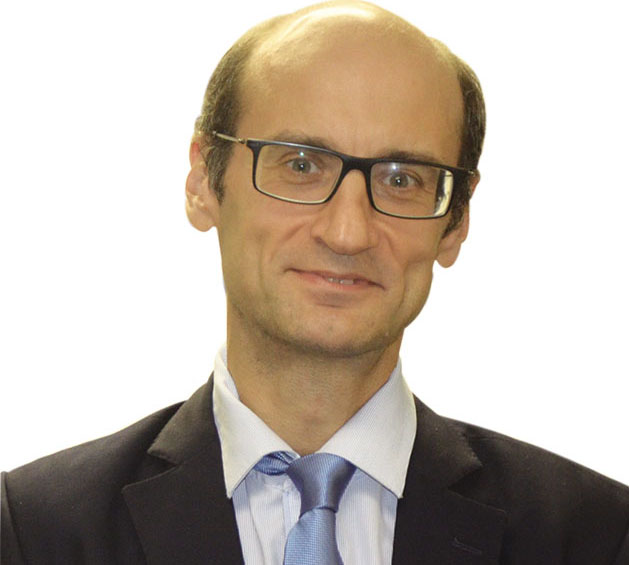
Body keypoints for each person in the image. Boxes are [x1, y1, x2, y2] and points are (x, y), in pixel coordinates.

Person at [2, 1, 628, 563]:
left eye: (402, 179)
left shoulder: (597, 537)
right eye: (300, 165)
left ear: (456, 221)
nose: (348, 232)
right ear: (202, 181)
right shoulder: (33, 532)